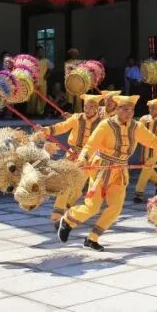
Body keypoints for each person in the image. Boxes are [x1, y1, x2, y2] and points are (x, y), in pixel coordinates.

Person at [58, 94, 157, 251]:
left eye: (131, 110)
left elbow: (156, 141)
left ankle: (92, 238)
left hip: (120, 172)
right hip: (101, 169)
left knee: (115, 208)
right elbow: (90, 145)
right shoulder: (106, 125)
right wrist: (82, 160)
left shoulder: (136, 127)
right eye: (125, 109)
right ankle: (68, 220)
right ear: (117, 109)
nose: (129, 113)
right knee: (92, 208)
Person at [38, 93, 103, 225]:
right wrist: (47, 130)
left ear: (96, 108)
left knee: (77, 187)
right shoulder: (77, 118)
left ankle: (67, 209)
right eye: (86, 106)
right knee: (66, 183)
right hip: (73, 154)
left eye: (91, 106)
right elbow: (62, 126)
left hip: (90, 158)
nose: (87, 109)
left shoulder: (103, 123)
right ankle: (57, 214)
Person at [28, 46, 53, 117]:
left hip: (43, 81)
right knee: (33, 98)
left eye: (42, 51)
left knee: (43, 98)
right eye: (39, 51)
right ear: (36, 52)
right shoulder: (32, 60)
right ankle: (31, 112)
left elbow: (51, 68)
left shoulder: (46, 61)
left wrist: (47, 74)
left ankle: (40, 112)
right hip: (34, 81)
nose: (41, 53)